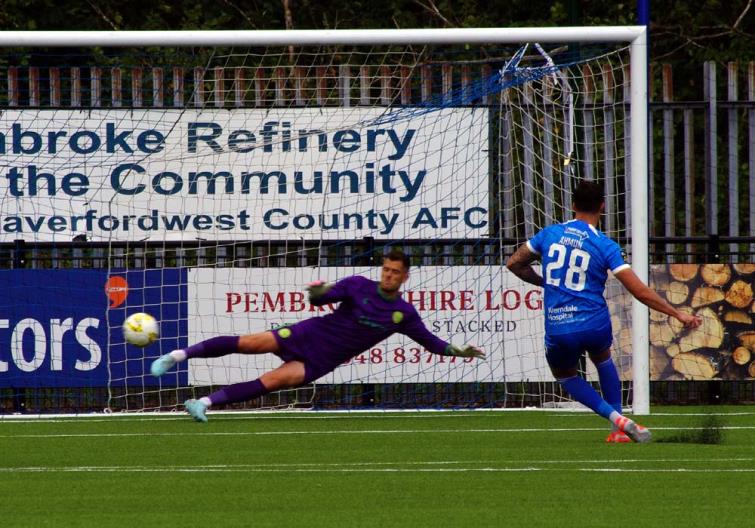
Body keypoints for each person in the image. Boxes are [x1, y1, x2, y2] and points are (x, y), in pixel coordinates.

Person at [151, 249, 485, 422]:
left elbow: (432, 343)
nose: (388, 275)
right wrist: (317, 292)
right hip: (307, 335)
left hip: (323, 360)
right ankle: (177, 356)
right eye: (385, 269)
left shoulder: (404, 314)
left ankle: (203, 403)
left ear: (405, 277)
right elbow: (323, 298)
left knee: (272, 381)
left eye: (395, 272)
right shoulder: (358, 285)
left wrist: (461, 351)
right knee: (249, 343)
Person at [506, 180, 701, 443]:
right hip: (594, 323)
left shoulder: (548, 234)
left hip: (559, 324)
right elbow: (639, 291)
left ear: (573, 205)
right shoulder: (605, 244)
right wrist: (678, 314)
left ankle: (616, 419)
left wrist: (545, 282)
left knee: (564, 375)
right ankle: (618, 431)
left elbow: (514, 263)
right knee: (603, 357)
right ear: (602, 206)